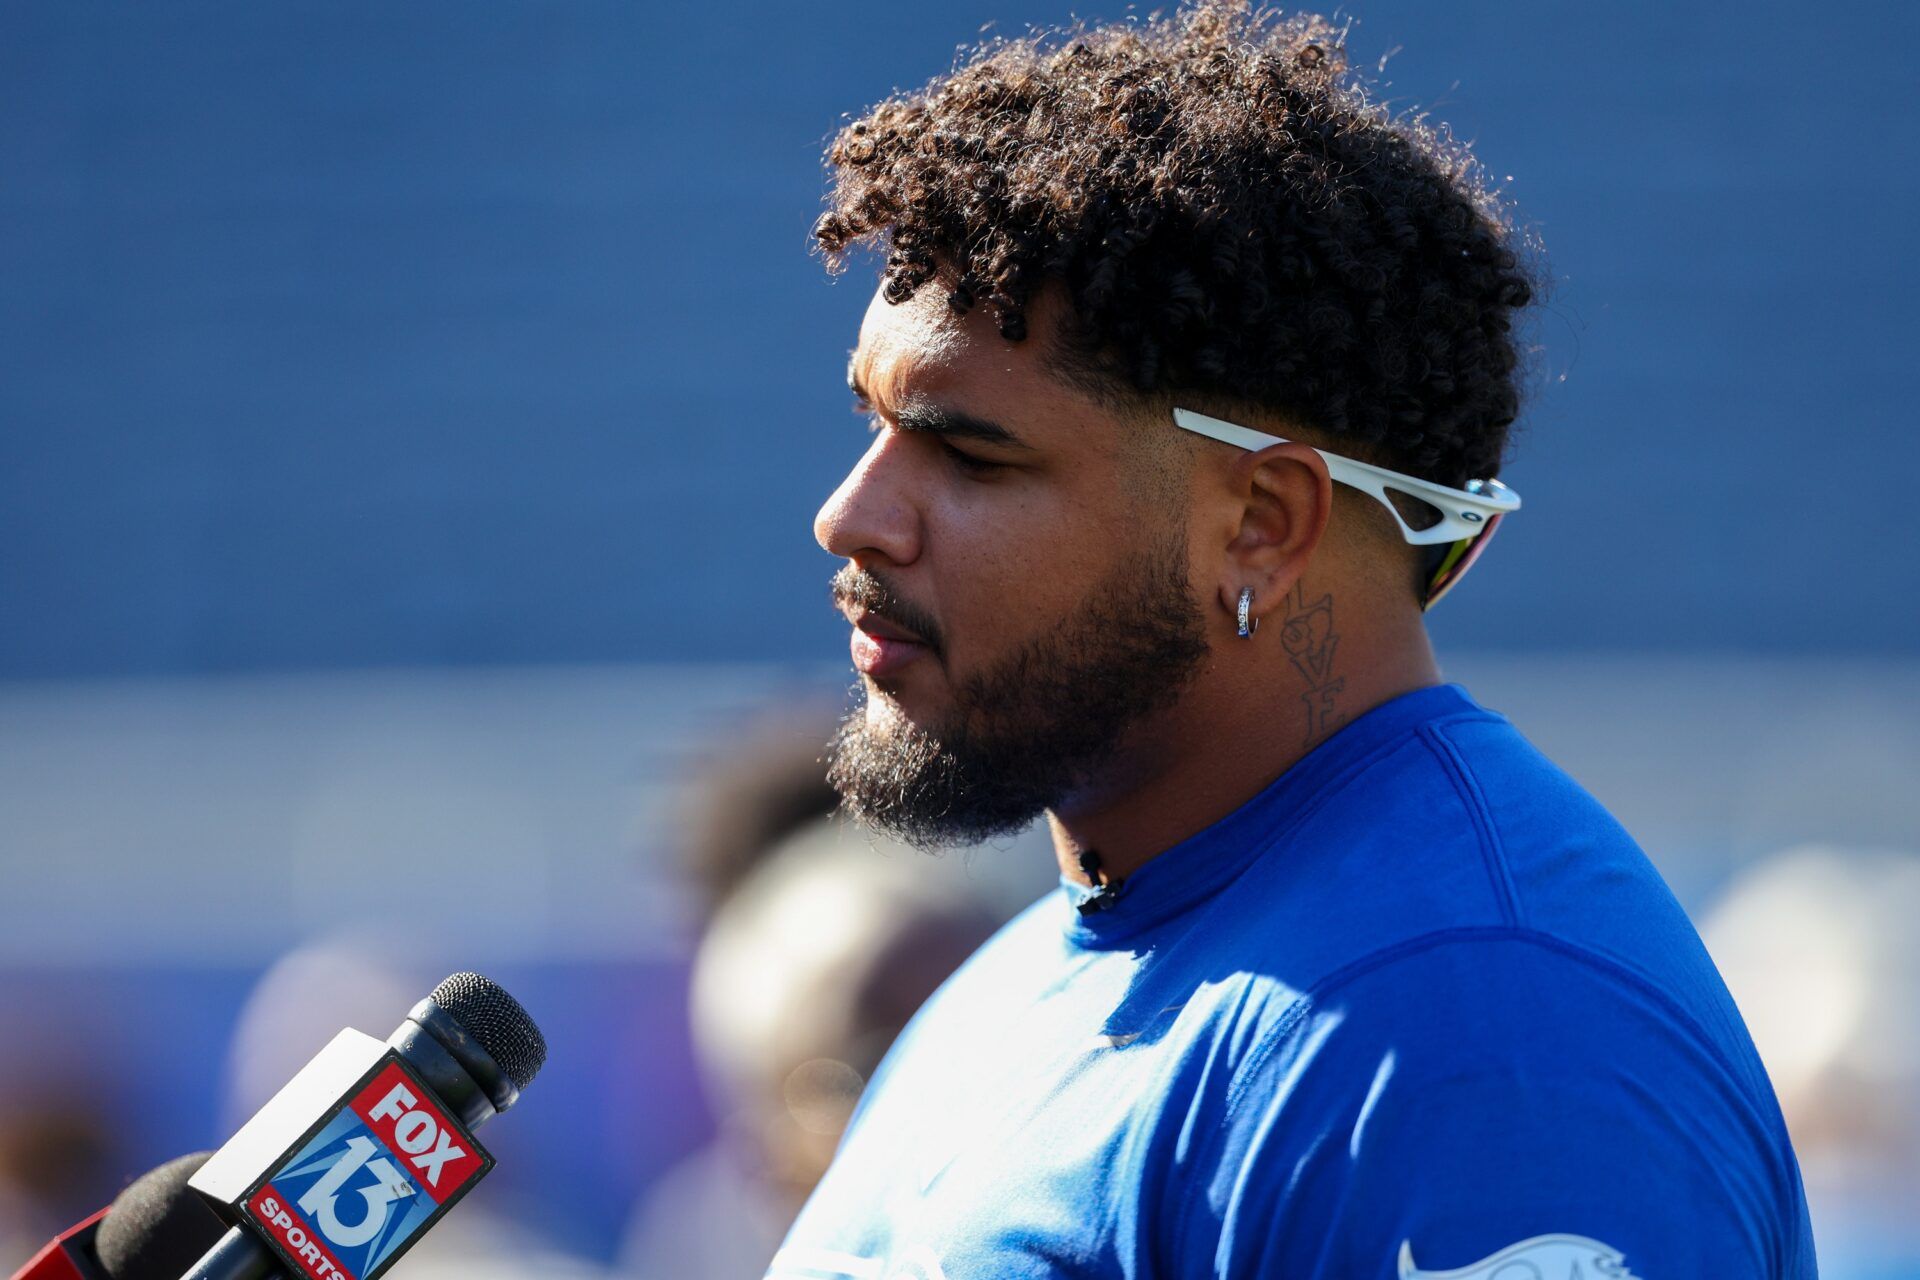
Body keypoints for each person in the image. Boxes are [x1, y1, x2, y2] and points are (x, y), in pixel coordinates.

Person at [774, 4, 1817, 1277]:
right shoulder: (1043, 966)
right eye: (873, 425)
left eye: (972, 454)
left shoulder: (1475, 1035)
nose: (852, 516)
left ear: (1262, 521)